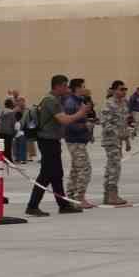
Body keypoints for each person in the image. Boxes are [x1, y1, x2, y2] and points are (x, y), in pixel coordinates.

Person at [25, 75, 90, 217]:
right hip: (47, 141)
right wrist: (81, 113)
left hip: (52, 141)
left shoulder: (55, 100)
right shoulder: (51, 101)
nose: (67, 89)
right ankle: (32, 205)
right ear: (58, 86)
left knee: (56, 174)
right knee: (45, 175)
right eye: (65, 86)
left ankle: (63, 205)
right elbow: (64, 120)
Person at [63, 80, 95, 208]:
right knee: (85, 169)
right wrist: (85, 126)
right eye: (83, 86)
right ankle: (79, 198)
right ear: (77, 88)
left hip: (79, 140)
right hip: (74, 140)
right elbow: (68, 124)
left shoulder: (78, 101)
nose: (85, 88)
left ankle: (71, 197)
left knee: (76, 169)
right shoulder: (71, 103)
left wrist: (88, 133)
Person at [99, 81, 131, 207]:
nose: (124, 91)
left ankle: (108, 195)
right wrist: (118, 134)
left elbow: (124, 123)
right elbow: (105, 124)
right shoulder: (109, 104)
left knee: (112, 166)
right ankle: (112, 195)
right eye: (121, 89)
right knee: (114, 166)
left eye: (125, 89)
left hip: (119, 141)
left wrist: (127, 140)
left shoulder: (123, 104)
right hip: (111, 140)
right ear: (113, 90)